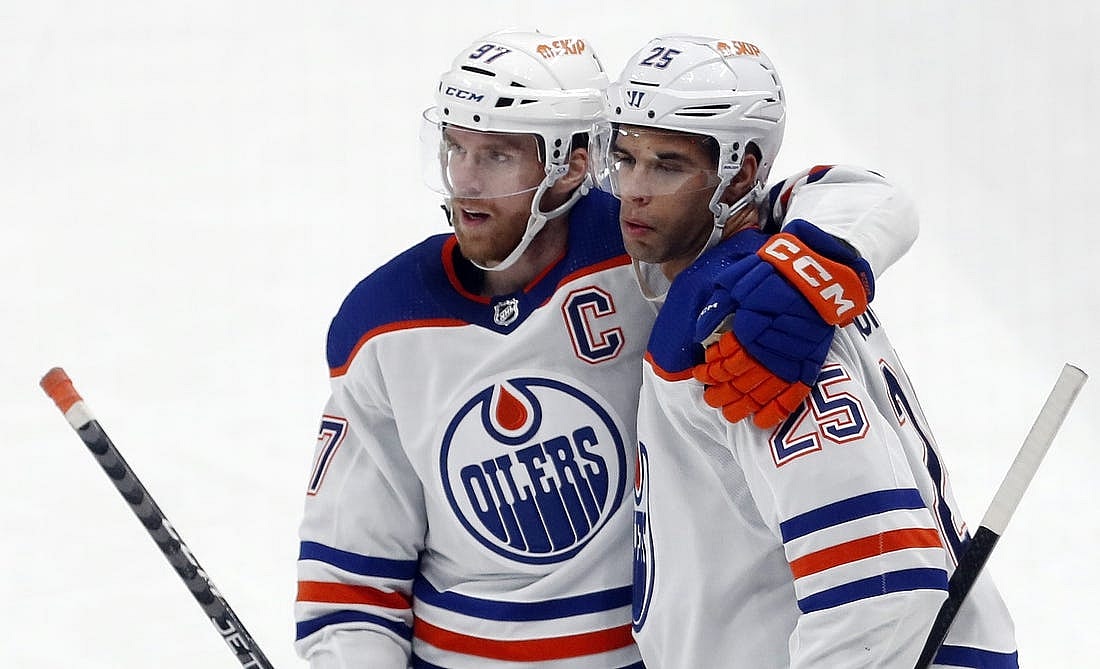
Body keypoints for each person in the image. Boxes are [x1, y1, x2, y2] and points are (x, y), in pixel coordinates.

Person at [293, 29, 917, 668]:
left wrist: (811, 266)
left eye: (500, 154)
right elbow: (349, 587)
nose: (467, 182)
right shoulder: (381, 321)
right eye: (456, 149)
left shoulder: (657, 255)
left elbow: (827, 197)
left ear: (570, 162)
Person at [605, 35, 1018, 667]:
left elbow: (881, 586)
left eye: (666, 165)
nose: (633, 189)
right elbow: (854, 191)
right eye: (625, 158)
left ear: (740, 171)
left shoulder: (747, 328)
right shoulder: (788, 267)